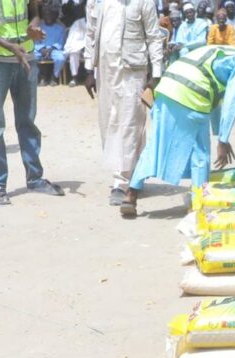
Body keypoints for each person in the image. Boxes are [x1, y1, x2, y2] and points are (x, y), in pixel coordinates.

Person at [123, 35, 235, 217]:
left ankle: (131, 194)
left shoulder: (217, 49)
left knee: (155, 145)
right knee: (201, 154)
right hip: (191, 95)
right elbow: (231, 102)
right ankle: (197, 205)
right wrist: (223, 140)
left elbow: (213, 98)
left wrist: (217, 133)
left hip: (166, 88)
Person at [0, 0, 65, 205]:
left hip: (25, 58)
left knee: (27, 121)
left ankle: (35, 178)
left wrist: (34, 27)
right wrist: (9, 46)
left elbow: (33, 12)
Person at [84, 0, 163, 205]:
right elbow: (91, 33)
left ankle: (122, 182)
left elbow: (154, 37)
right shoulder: (97, 2)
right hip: (105, 72)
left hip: (133, 72)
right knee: (108, 122)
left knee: (130, 123)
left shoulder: (144, 3)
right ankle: (135, 173)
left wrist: (156, 74)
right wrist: (87, 69)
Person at [35, 5, 68, 86]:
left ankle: (54, 77)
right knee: (31, 57)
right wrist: (42, 49)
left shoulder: (60, 27)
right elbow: (35, 41)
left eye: (51, 15)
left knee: (61, 58)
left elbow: (61, 42)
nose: (49, 17)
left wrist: (51, 49)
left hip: (54, 50)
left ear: (55, 16)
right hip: (40, 50)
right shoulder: (38, 26)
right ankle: (41, 77)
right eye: (46, 15)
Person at [64, 16, 87, 87]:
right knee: (73, 53)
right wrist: (81, 47)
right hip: (79, 48)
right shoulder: (78, 23)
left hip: (93, 48)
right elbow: (73, 39)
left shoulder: (98, 21)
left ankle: (95, 78)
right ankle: (74, 78)